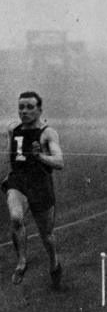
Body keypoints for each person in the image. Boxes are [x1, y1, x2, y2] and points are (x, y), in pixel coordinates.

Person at [1, 91, 64, 289]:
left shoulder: (48, 133)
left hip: (40, 186)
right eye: (21, 107)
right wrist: (10, 174)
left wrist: (39, 157)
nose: (24, 111)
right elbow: (11, 152)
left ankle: (54, 261)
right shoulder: (13, 129)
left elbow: (60, 162)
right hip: (18, 183)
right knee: (16, 218)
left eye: (30, 107)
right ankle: (21, 262)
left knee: (47, 235)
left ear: (39, 110)